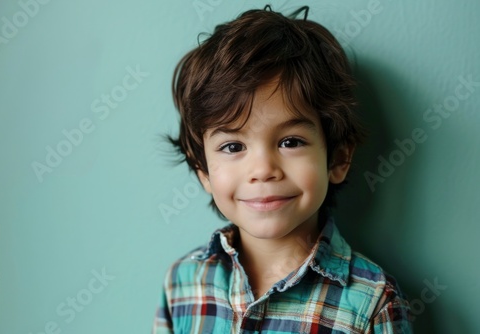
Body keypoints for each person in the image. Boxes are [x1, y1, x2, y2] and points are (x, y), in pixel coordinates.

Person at [154, 5, 412, 333]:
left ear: (337, 160)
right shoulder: (182, 284)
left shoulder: (374, 303)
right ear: (203, 171)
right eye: (233, 147)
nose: (263, 170)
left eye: (290, 142)